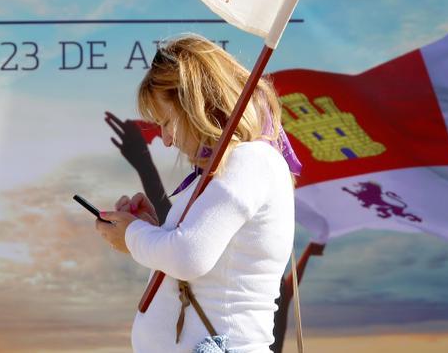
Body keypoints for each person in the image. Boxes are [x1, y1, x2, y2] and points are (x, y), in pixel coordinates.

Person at [93, 34, 297, 353]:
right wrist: (151, 228)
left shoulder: (250, 160)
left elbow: (189, 256)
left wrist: (133, 235)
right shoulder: (234, 165)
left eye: (166, 122)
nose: (166, 139)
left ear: (194, 103)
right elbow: (198, 256)